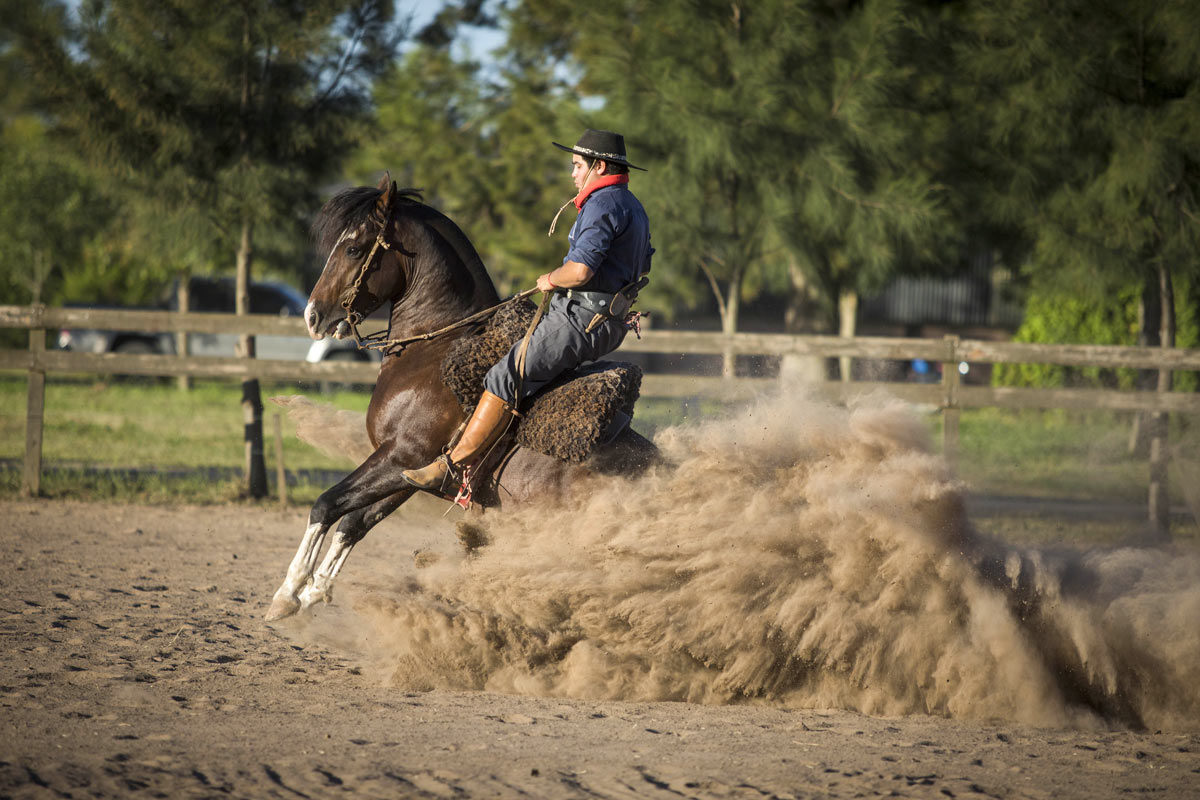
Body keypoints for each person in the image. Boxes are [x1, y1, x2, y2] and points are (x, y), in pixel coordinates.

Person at [403, 128, 654, 493]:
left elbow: (580, 271)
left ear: (599, 166)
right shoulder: (632, 205)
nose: (572, 173)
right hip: (606, 321)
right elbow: (641, 268)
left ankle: (451, 467)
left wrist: (550, 279)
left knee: (504, 375)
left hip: (580, 318)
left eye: (576, 165)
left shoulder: (602, 204)